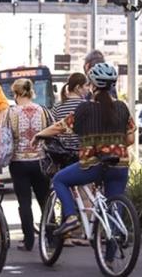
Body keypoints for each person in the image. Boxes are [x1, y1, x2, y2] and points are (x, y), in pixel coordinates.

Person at [34, 63, 135, 238]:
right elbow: (130, 139)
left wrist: (39, 135)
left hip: (93, 165)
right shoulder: (122, 107)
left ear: (93, 85)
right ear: (112, 85)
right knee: (114, 209)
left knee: (59, 180)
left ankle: (71, 217)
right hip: (121, 164)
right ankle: (111, 255)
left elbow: (60, 127)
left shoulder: (85, 108)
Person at [7, 78, 53, 251]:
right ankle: (51, 237)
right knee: (44, 200)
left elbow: (6, 138)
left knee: (24, 202)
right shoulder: (42, 111)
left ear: (17, 93)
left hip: (19, 162)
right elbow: (51, 133)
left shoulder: (11, 113)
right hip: (40, 160)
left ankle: (28, 240)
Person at [51, 72, 91, 247]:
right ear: (78, 87)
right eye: (86, 86)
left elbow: (53, 127)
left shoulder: (58, 107)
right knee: (85, 193)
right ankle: (84, 232)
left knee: (64, 192)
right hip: (83, 153)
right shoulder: (86, 106)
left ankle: (66, 233)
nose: (88, 89)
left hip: (63, 153)